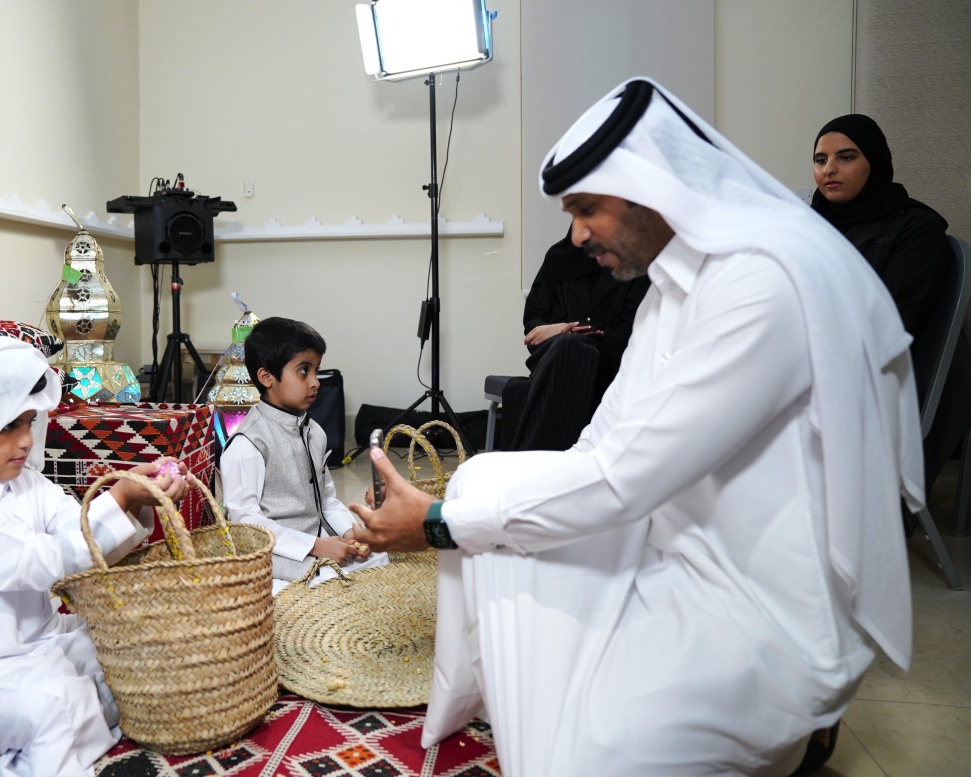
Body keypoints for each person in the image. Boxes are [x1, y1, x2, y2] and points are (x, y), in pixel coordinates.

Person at [351, 78, 922, 776]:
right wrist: (460, 509)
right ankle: (482, 699)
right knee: (480, 477)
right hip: (670, 539)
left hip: (761, 611)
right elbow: (600, 446)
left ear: (655, 186)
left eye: (589, 208)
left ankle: (795, 730)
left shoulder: (760, 283)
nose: (578, 233)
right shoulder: (669, 290)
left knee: (586, 755)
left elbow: (621, 481)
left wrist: (438, 522)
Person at [0, 329, 189, 777]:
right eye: (9, 426)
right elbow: (38, 563)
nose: (26, 440)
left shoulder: (26, 483)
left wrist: (135, 497)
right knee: (57, 704)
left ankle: (88, 713)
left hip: (42, 643)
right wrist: (119, 500)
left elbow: (78, 532)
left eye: (29, 422)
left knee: (138, 646)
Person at [812, 113, 970, 491]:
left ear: (875, 162)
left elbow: (891, 323)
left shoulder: (917, 228)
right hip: (820, 362)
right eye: (821, 160)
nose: (830, 169)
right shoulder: (811, 221)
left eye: (846, 157)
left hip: (875, 378)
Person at [220, 317, 386, 593]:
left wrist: (350, 534)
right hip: (275, 551)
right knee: (322, 586)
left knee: (379, 557)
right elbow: (245, 522)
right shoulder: (248, 443)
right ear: (266, 377)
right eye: (303, 371)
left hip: (318, 538)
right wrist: (315, 547)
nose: (315, 382)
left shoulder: (315, 432)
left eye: (316, 371)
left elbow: (327, 500)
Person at [502, 226, 648, 450]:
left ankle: (536, 458)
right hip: (552, 357)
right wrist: (559, 332)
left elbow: (632, 332)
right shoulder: (557, 259)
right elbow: (534, 323)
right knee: (567, 347)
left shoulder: (631, 266)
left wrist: (573, 331)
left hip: (609, 363)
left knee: (572, 346)